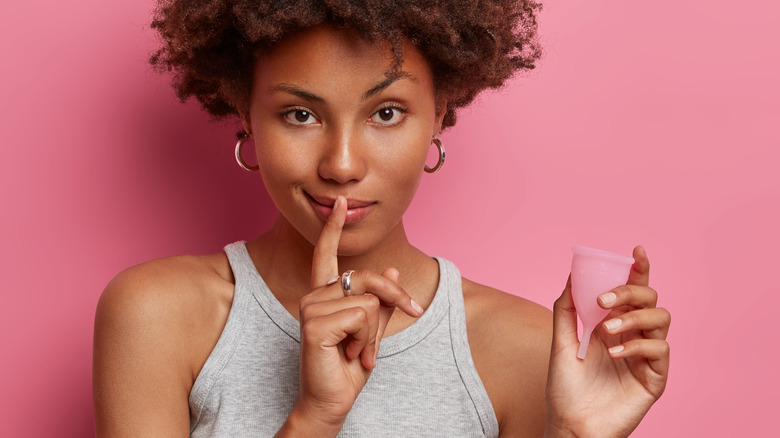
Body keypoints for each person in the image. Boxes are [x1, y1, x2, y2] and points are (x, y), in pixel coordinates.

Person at [93, 1, 671, 436]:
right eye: (299, 114)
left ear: (439, 115)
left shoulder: (524, 349)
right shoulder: (157, 316)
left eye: (386, 113)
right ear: (246, 114)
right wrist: (314, 419)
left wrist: (574, 437)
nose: (342, 165)